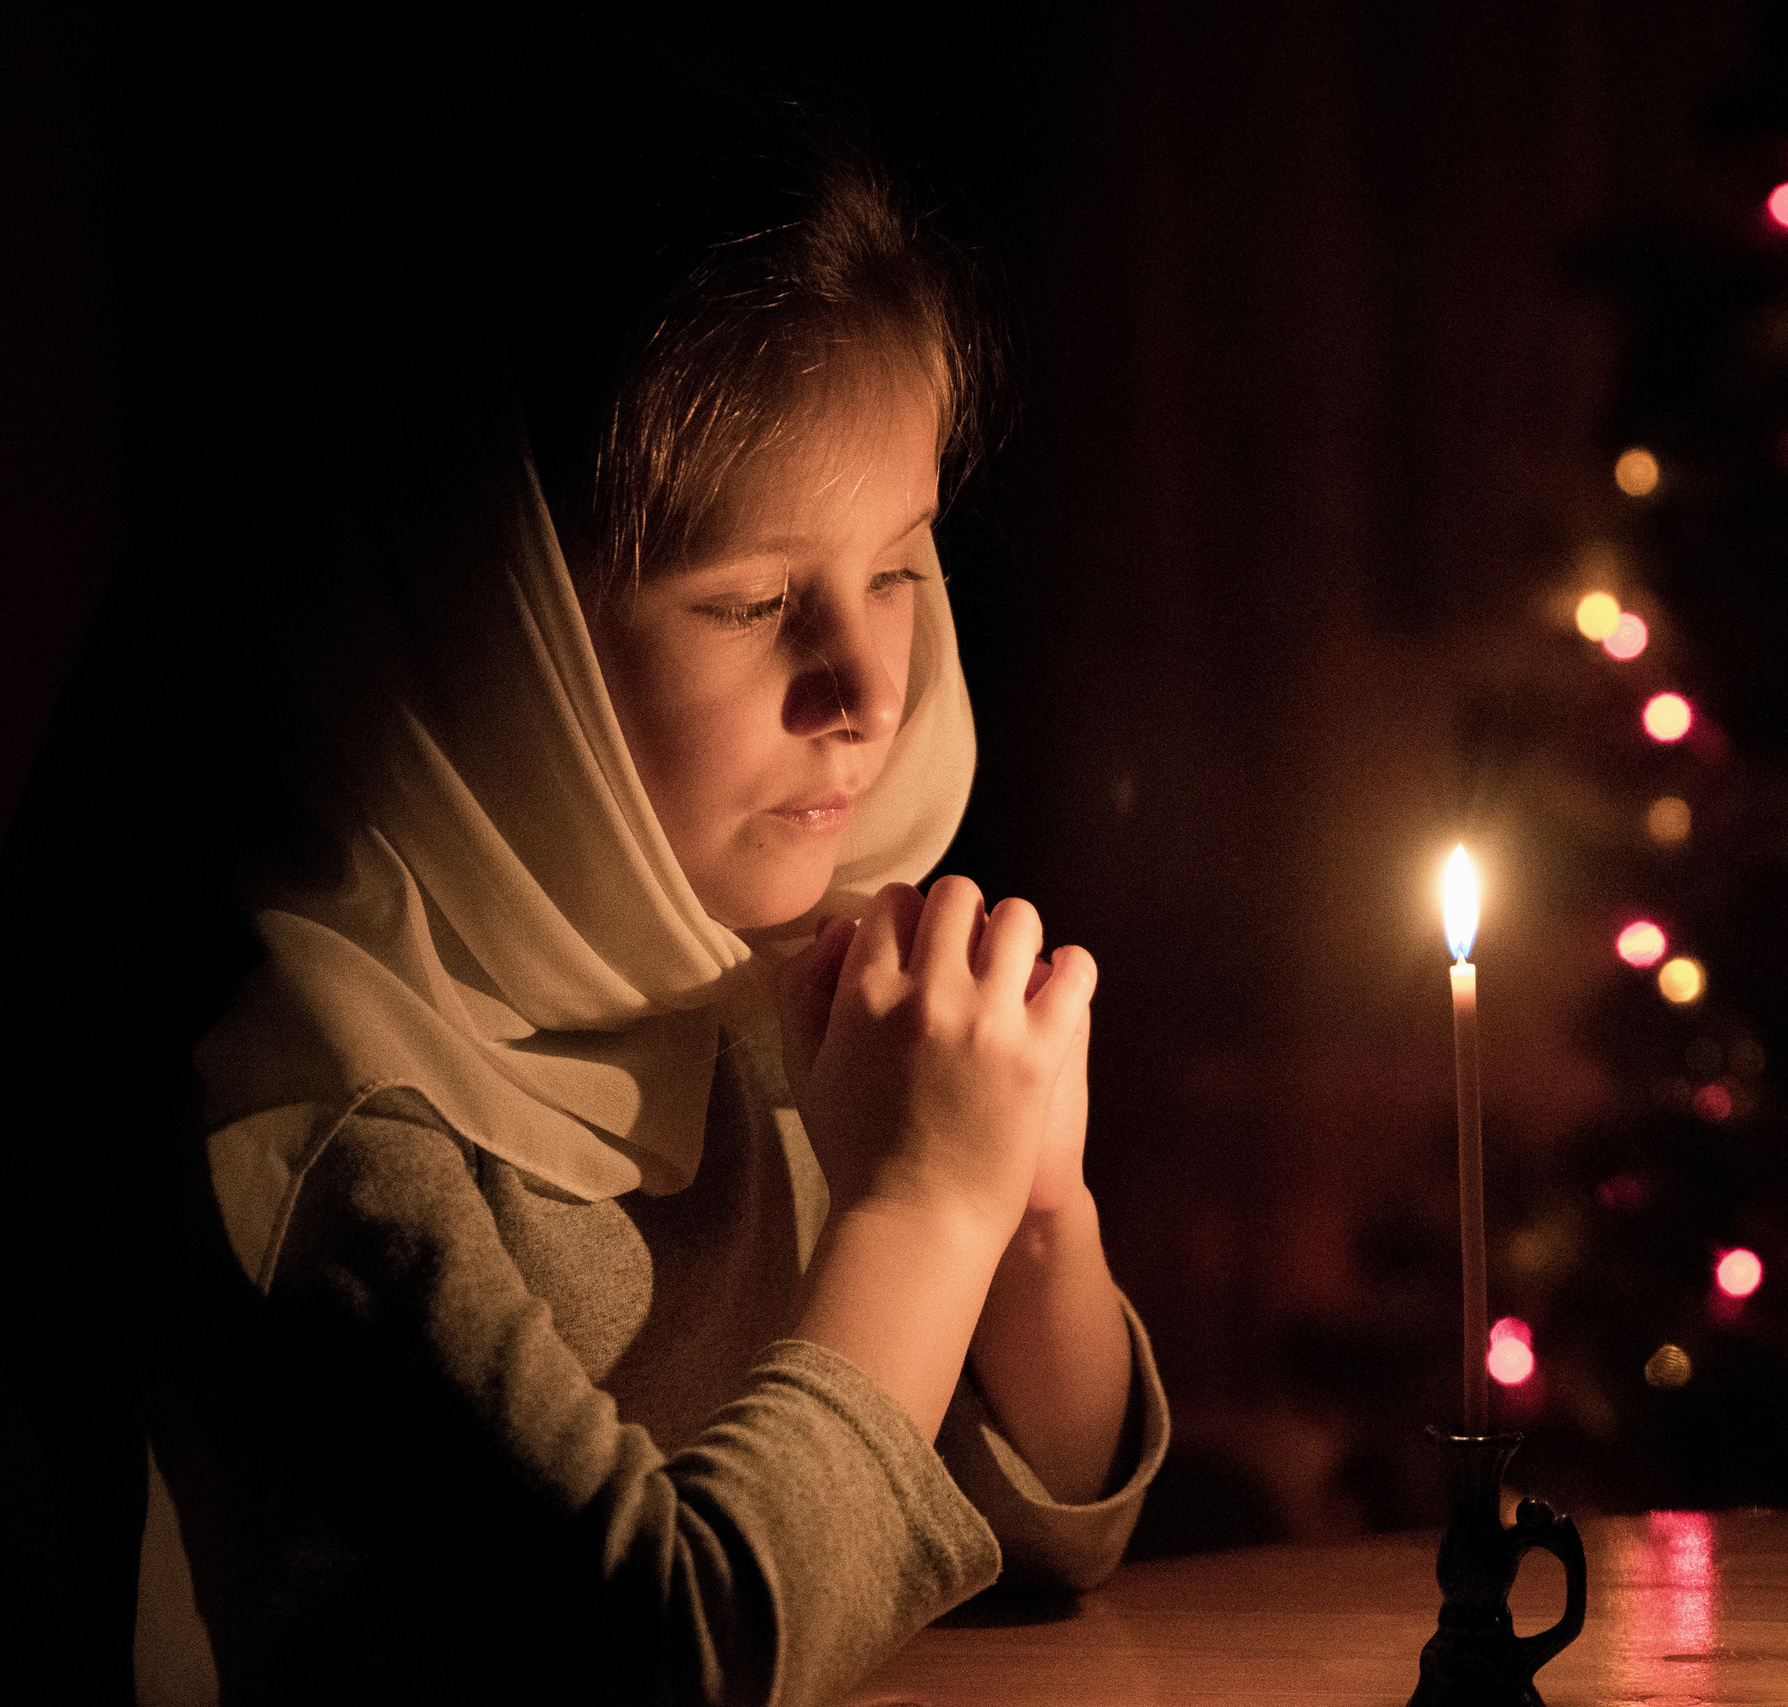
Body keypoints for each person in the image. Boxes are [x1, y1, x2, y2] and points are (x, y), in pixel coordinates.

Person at [133, 59, 1167, 1705]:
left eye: (897, 567)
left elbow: (1020, 1536)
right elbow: (667, 1656)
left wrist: (1034, 1221)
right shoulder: (324, 1113)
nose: (868, 689)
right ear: (495, 641)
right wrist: (923, 1210)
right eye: (753, 601)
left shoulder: (771, 967)